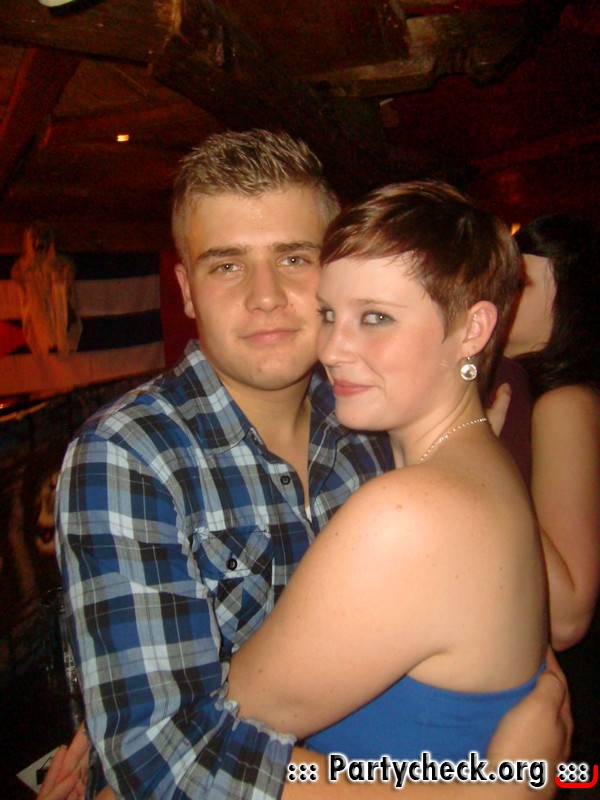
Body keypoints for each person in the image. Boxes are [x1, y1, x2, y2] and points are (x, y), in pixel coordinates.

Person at [55, 131, 569, 800]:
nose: (265, 295)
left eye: (294, 258)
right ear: (186, 290)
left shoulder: (368, 417)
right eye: (226, 265)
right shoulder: (130, 455)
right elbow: (163, 765)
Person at [226, 180, 547, 762]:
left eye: (375, 317)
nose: (331, 349)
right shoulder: (483, 466)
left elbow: (210, 742)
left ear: (472, 329)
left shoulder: (408, 514)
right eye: (329, 314)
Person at [504, 214, 600, 652]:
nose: (496, 290)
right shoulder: (516, 389)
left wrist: (485, 462)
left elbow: (566, 616)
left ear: (570, 301)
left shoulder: (565, 404)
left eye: (518, 283)